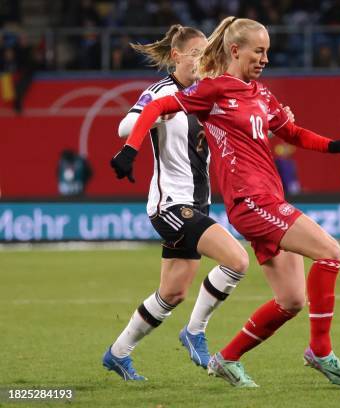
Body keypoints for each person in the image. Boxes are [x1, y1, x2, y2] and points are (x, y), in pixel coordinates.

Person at [110, 17, 340, 388]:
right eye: (258, 50)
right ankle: (320, 350)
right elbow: (155, 108)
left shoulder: (261, 94)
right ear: (235, 50)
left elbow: (291, 132)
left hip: (270, 200)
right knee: (331, 252)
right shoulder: (213, 90)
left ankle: (226, 359)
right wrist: (130, 150)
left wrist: (335, 145)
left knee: (292, 300)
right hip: (251, 202)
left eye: (267, 51)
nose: (265, 58)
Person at [103, 25, 252, 382]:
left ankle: (118, 354)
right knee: (237, 260)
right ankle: (195, 332)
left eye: (207, 54)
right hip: (170, 205)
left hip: (199, 205)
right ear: (177, 56)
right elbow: (125, 127)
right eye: (197, 54)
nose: (203, 61)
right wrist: (154, 115)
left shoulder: (207, 93)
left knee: (173, 292)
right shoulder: (161, 92)